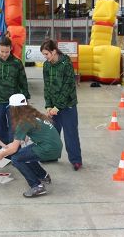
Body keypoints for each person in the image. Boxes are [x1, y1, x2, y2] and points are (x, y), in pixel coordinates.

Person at [0, 94, 62, 198]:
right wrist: (6, 148)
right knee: (24, 154)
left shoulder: (23, 122)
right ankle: (43, 176)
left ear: (14, 108)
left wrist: (1, 155)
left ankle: (37, 186)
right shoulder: (34, 114)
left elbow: (14, 148)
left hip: (48, 148)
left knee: (16, 159)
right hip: (54, 145)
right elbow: (21, 141)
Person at [40, 39, 83, 170]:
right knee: (52, 133)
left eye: (47, 54)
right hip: (53, 107)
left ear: (54, 51)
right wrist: (48, 105)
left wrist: (57, 107)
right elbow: (46, 86)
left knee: (70, 134)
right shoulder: (46, 66)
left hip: (67, 105)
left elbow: (68, 87)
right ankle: (52, 155)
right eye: (44, 55)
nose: (45, 57)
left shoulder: (66, 63)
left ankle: (76, 160)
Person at [0, 37, 30, 148]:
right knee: (0, 128)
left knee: (14, 128)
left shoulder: (17, 63)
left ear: (11, 49)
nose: (4, 54)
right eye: (2, 51)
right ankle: (4, 152)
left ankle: (14, 152)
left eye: (7, 52)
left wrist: (25, 99)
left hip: (13, 103)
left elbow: (23, 82)